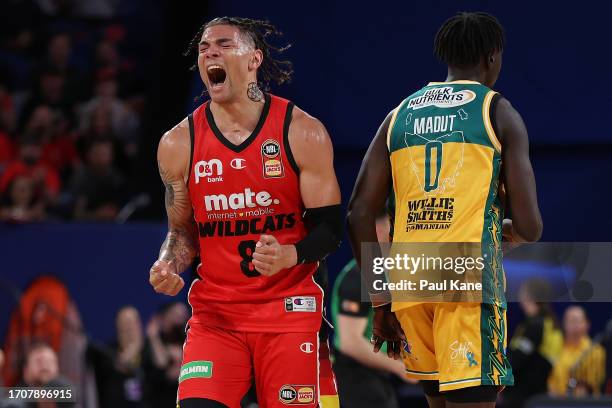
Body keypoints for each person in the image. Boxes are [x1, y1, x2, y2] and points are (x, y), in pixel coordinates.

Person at [347, 11, 543, 408]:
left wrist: (380, 300)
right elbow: (529, 225)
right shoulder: (497, 111)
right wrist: (507, 233)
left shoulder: (398, 115)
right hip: (464, 278)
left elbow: (358, 214)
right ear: (493, 57)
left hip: (409, 282)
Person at [149, 17, 342, 408]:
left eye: (223, 44)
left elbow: (331, 229)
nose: (210, 53)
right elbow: (181, 231)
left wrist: (290, 254)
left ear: (254, 59)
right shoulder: (177, 143)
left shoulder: (301, 131)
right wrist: (169, 262)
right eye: (204, 48)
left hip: (288, 313)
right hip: (216, 317)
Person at [332, 211, 412, 408]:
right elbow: (350, 343)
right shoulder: (360, 275)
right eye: (393, 229)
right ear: (376, 231)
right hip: (353, 380)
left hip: (376, 377)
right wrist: (402, 368)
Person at [502, 279, 563, 407]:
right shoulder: (550, 323)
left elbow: (517, 360)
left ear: (529, 296)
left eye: (522, 292)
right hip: (537, 394)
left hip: (524, 397)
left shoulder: (535, 325)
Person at [548, 306, 605, 397]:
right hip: (553, 401)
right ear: (564, 324)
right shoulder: (556, 348)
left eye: (577, 321)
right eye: (570, 321)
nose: (574, 325)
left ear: (587, 324)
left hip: (582, 402)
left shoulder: (595, 351)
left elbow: (591, 384)